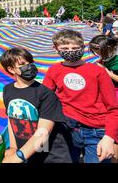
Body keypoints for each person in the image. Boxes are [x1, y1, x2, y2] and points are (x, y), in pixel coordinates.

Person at [43, 29, 118, 163]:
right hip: (67, 129)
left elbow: (113, 107)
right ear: (55, 49)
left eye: (75, 48)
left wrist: (109, 137)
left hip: (96, 131)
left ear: (83, 47)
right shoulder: (53, 71)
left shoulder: (97, 71)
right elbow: (45, 100)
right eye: (65, 48)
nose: (71, 51)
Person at [0, 48, 72, 163]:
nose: (29, 66)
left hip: (51, 156)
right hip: (27, 152)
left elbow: (42, 133)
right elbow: (11, 119)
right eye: (22, 64)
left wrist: (16, 158)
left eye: (30, 63)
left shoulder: (46, 94)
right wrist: (13, 147)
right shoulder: (7, 90)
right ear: (11, 69)